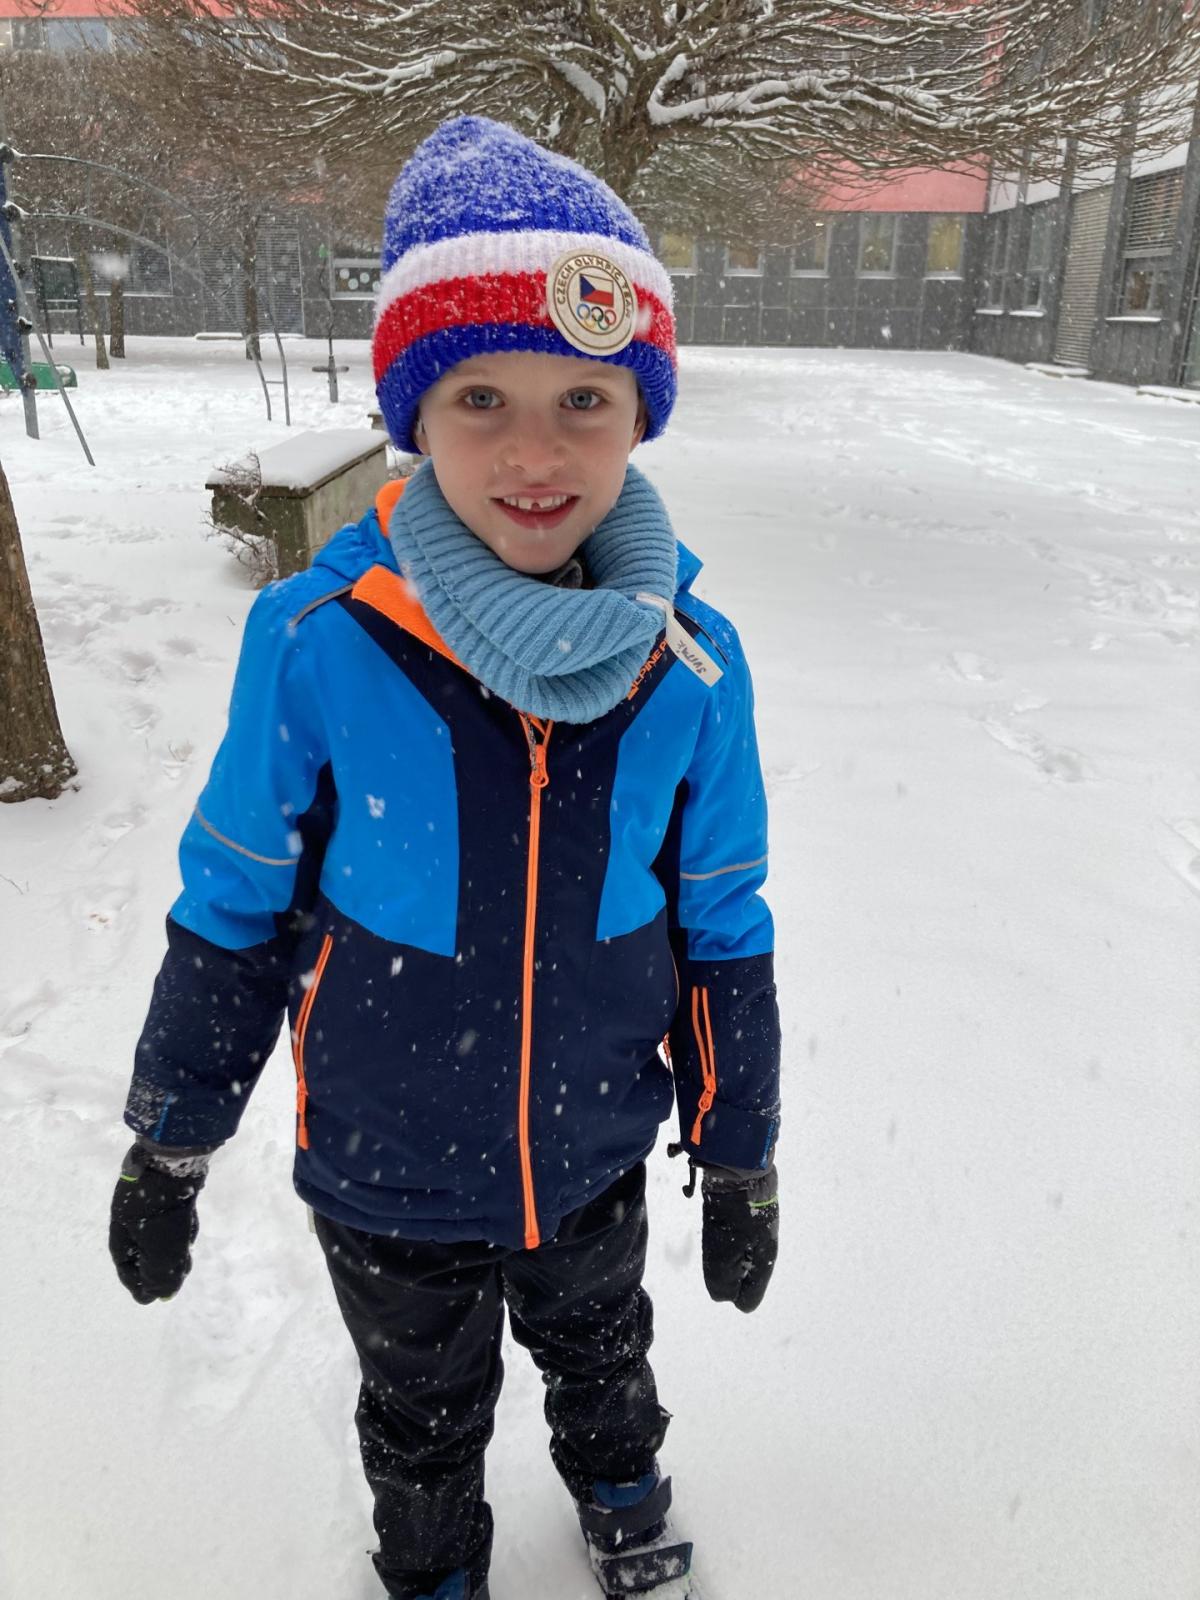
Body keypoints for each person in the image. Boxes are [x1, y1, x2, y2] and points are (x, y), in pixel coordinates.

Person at [109, 116, 780, 1600]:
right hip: (388, 1167)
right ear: (414, 415)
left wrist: (739, 1149)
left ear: (640, 413)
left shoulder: (689, 663)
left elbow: (724, 920)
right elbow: (234, 905)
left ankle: (622, 1493)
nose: (535, 452)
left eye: (584, 398)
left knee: (603, 1351)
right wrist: (171, 1136)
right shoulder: (322, 640)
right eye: (481, 398)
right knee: (420, 1409)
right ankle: (432, 1567)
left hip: (593, 1150)